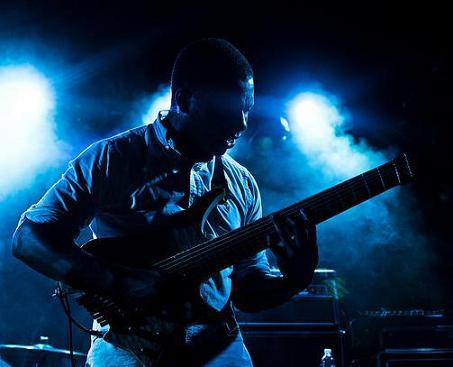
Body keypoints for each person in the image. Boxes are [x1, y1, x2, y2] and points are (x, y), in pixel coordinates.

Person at [11, 38, 318, 366]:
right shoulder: (112, 159)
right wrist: (118, 281)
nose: (241, 124)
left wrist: (293, 278)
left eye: (247, 109)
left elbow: (246, 291)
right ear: (185, 100)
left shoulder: (242, 183)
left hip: (218, 348)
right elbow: (28, 240)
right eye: (227, 110)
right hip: (126, 348)